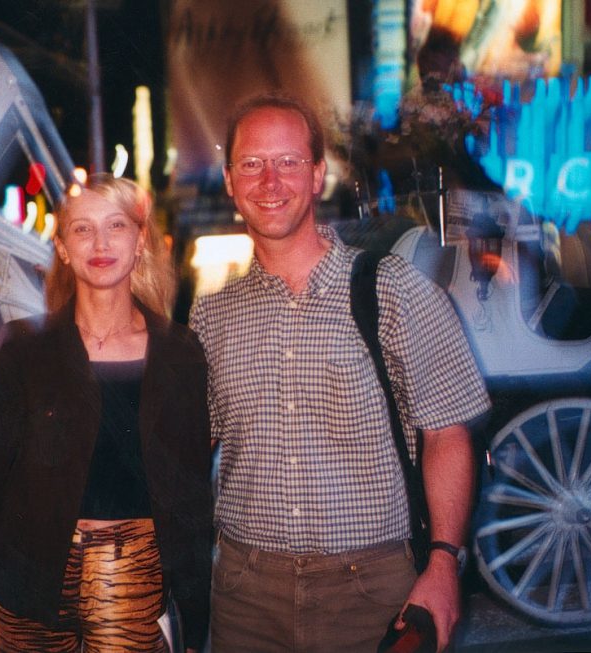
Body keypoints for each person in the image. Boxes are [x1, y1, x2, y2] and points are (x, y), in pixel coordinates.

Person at [188, 93, 491, 652]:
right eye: (252, 164)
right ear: (230, 181)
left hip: (372, 593)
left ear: (318, 174)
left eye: (288, 162)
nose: (270, 181)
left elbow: (447, 431)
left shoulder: (394, 289)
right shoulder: (211, 316)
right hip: (243, 594)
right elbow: (186, 449)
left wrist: (444, 563)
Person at [0, 174, 212, 653]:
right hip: (26, 579)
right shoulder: (24, 349)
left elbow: (192, 498)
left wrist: (195, 628)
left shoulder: (179, 352)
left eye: (116, 225)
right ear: (64, 248)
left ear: (140, 244)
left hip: (130, 574)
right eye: (83, 229)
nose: (101, 242)